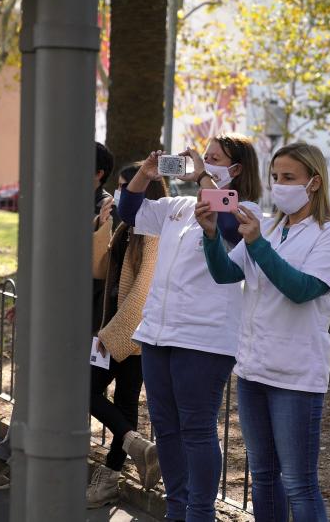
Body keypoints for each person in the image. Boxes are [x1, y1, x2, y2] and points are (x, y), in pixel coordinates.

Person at [196, 142, 330, 522]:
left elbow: (303, 290)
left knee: (299, 482)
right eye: (275, 177)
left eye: (289, 178)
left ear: (314, 182)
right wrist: (211, 235)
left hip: (296, 375)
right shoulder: (267, 224)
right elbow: (226, 274)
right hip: (253, 370)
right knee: (263, 477)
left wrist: (257, 244)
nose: (279, 185)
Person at [117, 133, 263, 522]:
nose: (200, 161)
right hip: (157, 334)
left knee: (196, 428)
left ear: (234, 169)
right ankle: (176, 507)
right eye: (200, 156)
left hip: (205, 338)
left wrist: (202, 177)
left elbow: (231, 229)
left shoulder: (245, 210)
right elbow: (129, 211)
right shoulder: (177, 206)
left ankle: (200, 513)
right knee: (165, 428)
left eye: (213, 158)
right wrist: (145, 175)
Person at [0, 141, 118, 489]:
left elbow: (97, 269)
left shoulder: (107, 209)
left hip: (85, 320)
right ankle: (13, 461)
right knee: (35, 390)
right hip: (52, 316)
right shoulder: (62, 203)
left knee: (60, 394)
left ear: (98, 174)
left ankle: (15, 463)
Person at [86, 163, 166, 507]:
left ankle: (118, 466)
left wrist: (112, 334)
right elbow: (99, 269)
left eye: (126, 186)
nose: (120, 193)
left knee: (84, 390)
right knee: (123, 402)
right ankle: (136, 449)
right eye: (120, 187)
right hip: (119, 329)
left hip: (131, 334)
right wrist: (103, 227)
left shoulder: (154, 232)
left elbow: (143, 291)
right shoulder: (127, 227)